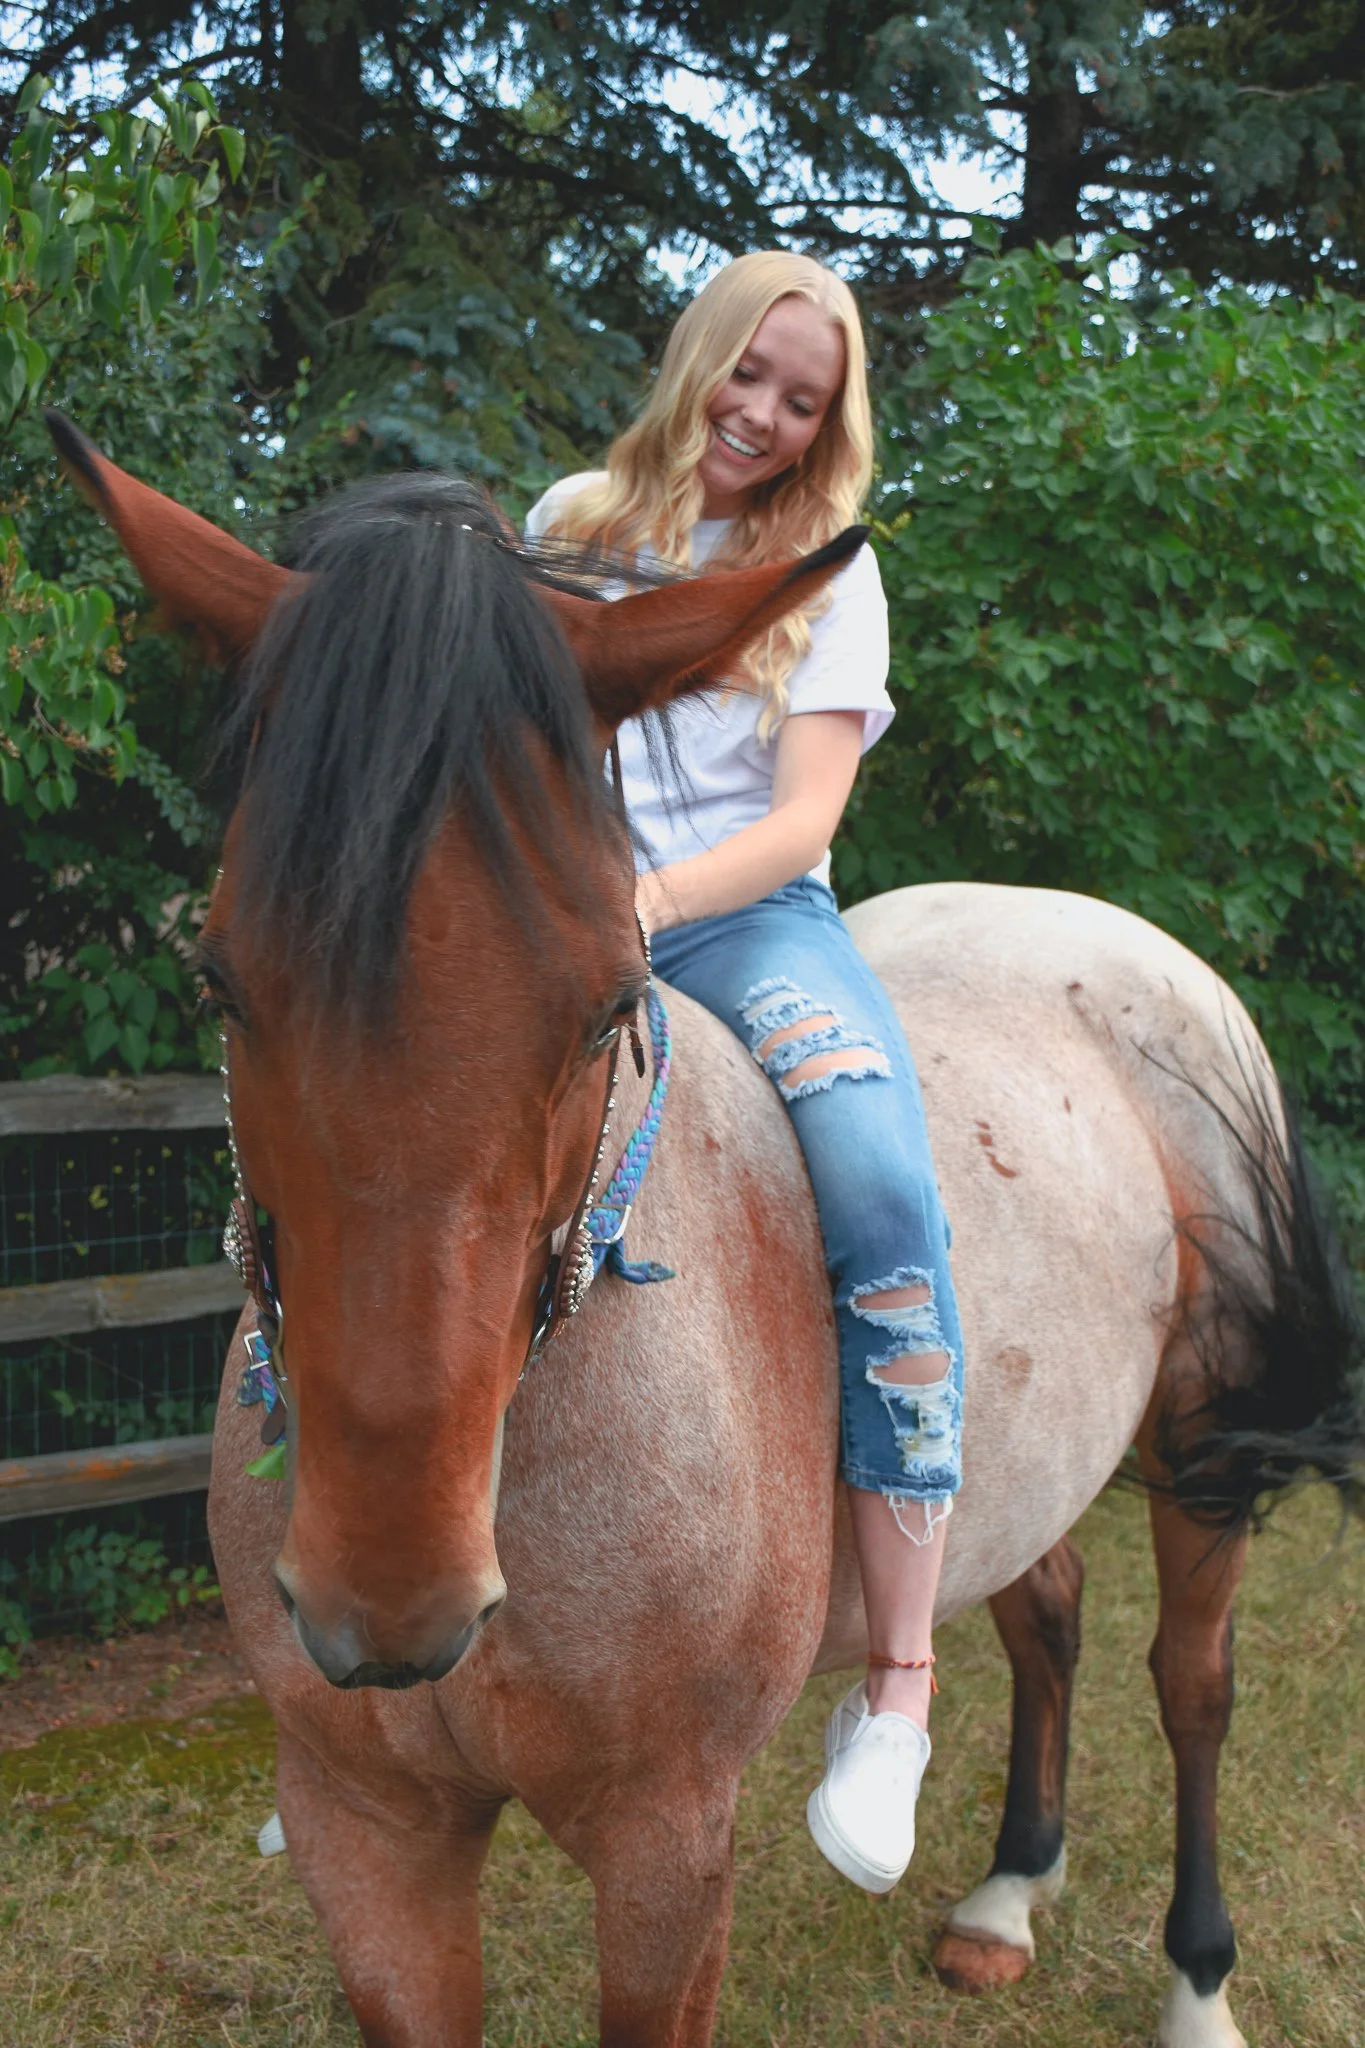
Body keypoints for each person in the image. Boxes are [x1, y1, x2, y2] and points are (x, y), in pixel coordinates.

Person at [525, 250, 965, 1896]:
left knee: (882, 1191)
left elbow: (802, 822)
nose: (765, 417)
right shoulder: (569, 524)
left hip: (747, 928)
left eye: (805, 400)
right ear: (700, 354)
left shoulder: (828, 569)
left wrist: (641, 908)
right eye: (752, 375)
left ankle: (899, 1690)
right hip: (567, 914)